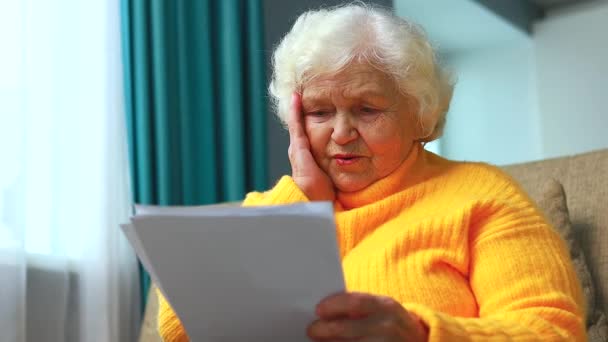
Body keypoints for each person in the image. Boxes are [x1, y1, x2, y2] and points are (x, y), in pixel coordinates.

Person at [157, 3, 586, 341]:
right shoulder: (271, 208)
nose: (341, 133)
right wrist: (304, 200)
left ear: (421, 114)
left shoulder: (481, 198)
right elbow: (177, 327)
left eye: (367, 109)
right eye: (319, 112)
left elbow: (552, 333)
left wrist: (421, 335)